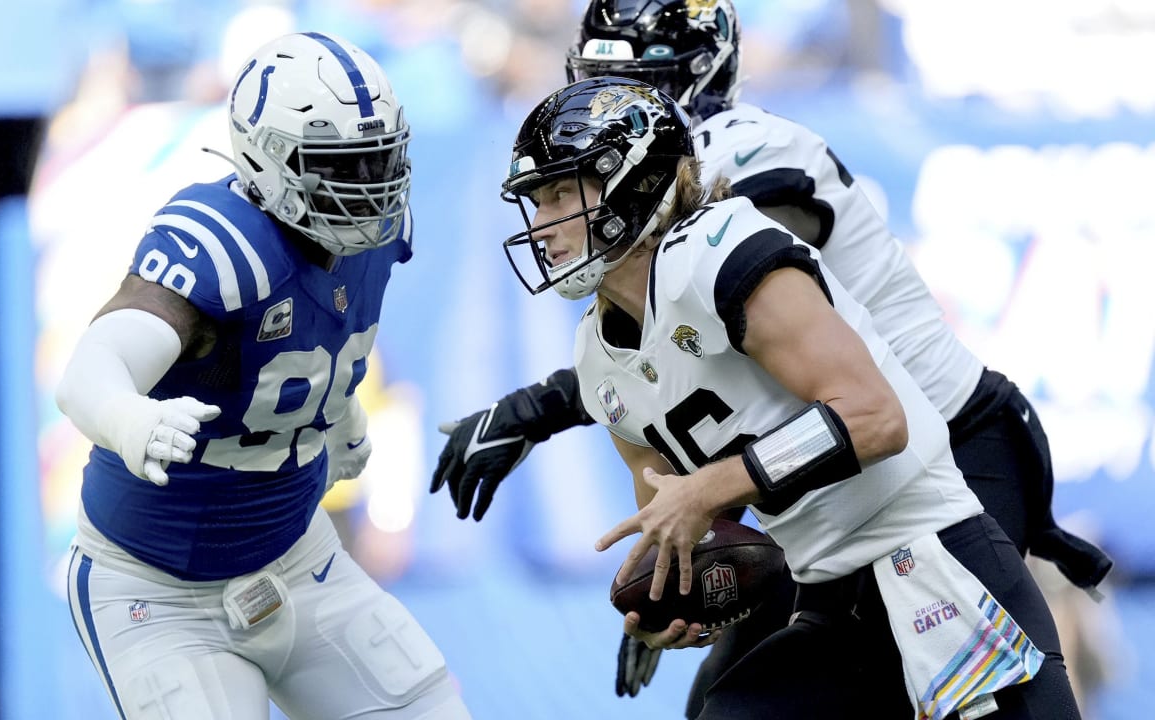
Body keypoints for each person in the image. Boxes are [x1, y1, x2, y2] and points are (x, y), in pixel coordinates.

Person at [429, 0, 1111, 712]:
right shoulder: (611, 335)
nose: (619, 106)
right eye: (598, 82)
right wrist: (680, 580)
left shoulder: (721, 212)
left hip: (943, 461)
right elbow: (679, 378)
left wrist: (541, 409)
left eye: (639, 85)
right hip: (829, 537)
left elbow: (845, 404)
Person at [54, 32, 471, 720]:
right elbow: (89, 372)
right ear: (268, 160)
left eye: (378, 158)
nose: (369, 184)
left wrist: (336, 412)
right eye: (342, 165)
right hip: (158, 590)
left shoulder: (377, 234)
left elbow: (318, 337)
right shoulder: (224, 243)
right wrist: (128, 418)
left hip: (298, 556)